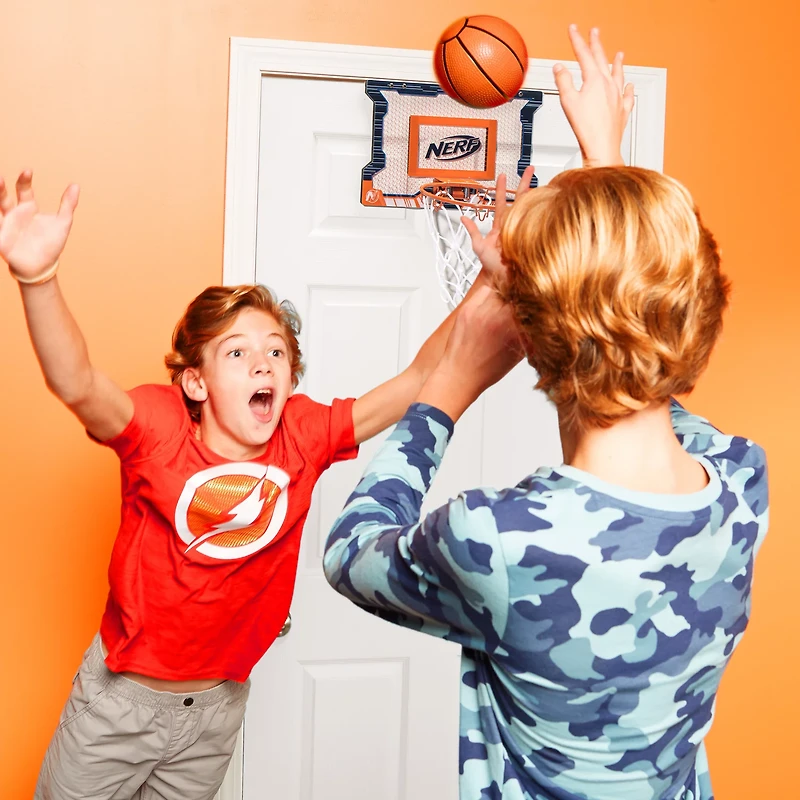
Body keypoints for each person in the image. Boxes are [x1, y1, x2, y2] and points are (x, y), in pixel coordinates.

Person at [323, 25, 769, 800]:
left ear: (533, 335)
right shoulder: (741, 483)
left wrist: (448, 386)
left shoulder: (498, 542)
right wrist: (606, 163)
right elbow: (646, 338)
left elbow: (351, 553)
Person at [0, 143, 498, 797]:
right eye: (237, 353)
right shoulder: (157, 429)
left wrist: (490, 284)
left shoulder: (303, 432)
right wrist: (38, 279)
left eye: (276, 352)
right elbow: (77, 383)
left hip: (217, 710)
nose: (263, 364)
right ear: (197, 384)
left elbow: (417, 379)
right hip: (118, 706)